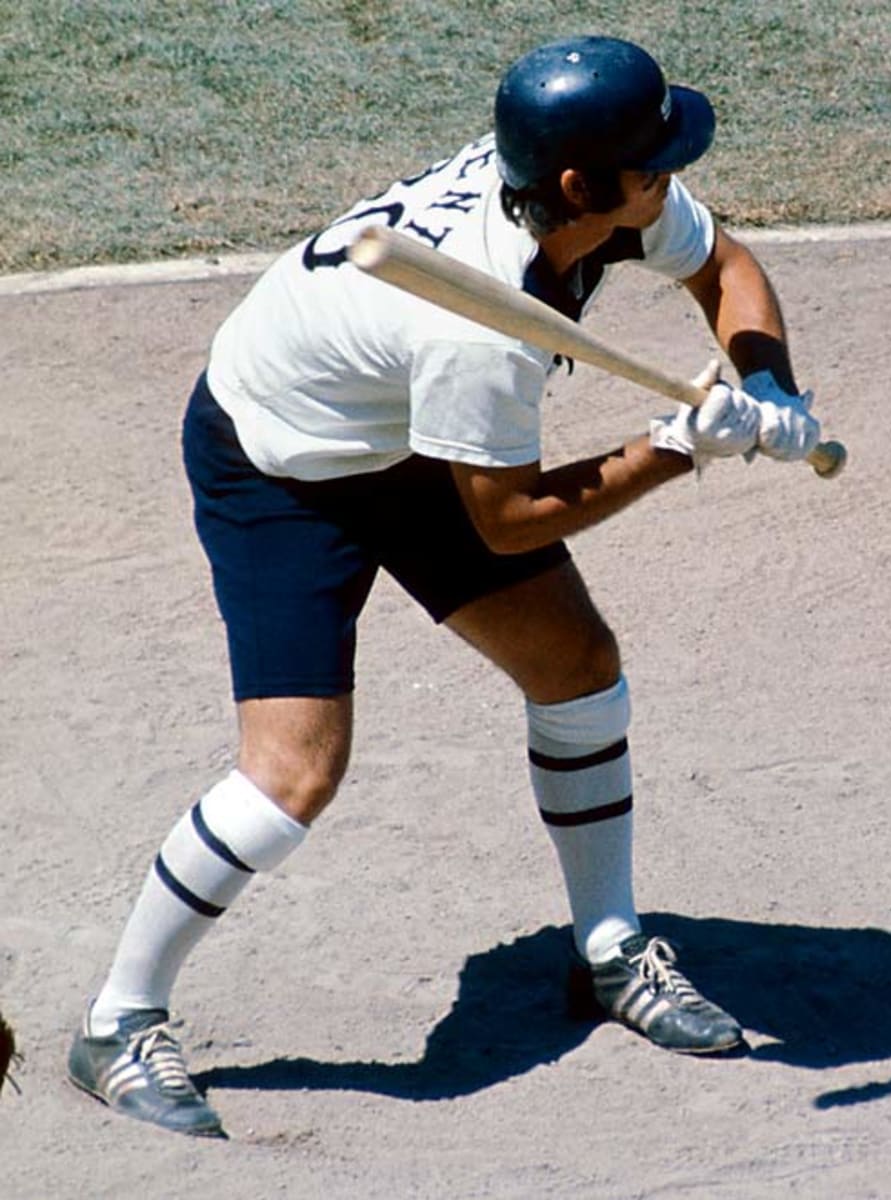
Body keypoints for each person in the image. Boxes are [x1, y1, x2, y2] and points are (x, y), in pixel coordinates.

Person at [66, 35, 825, 1139]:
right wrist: (675, 448)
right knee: (291, 778)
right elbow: (506, 517)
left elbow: (728, 269)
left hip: (402, 429)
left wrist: (767, 380)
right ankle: (117, 1022)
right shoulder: (479, 324)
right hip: (280, 464)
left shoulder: (585, 189)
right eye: (654, 162)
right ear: (580, 184)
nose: (670, 179)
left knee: (577, 665)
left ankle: (609, 951)